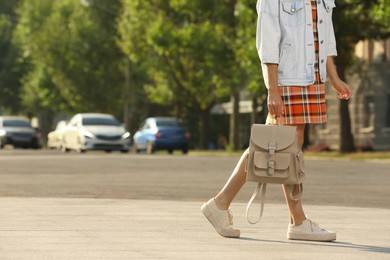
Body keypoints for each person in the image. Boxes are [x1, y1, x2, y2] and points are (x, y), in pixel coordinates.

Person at [201, 0, 352, 242]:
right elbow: (268, 42)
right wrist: (273, 89)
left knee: (288, 147)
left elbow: (326, 37)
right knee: (279, 146)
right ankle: (294, 220)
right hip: (287, 77)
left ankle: (227, 206)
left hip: (312, 77)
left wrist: (333, 77)